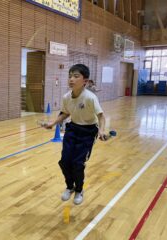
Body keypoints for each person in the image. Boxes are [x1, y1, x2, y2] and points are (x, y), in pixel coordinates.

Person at [45, 64, 107, 205]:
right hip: (72, 130)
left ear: (85, 81)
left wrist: (101, 131)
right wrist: (53, 124)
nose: (71, 79)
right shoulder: (67, 97)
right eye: (70, 76)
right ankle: (70, 187)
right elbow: (65, 112)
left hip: (88, 133)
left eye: (76, 76)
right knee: (64, 162)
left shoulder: (90, 98)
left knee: (78, 164)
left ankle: (79, 190)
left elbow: (101, 116)